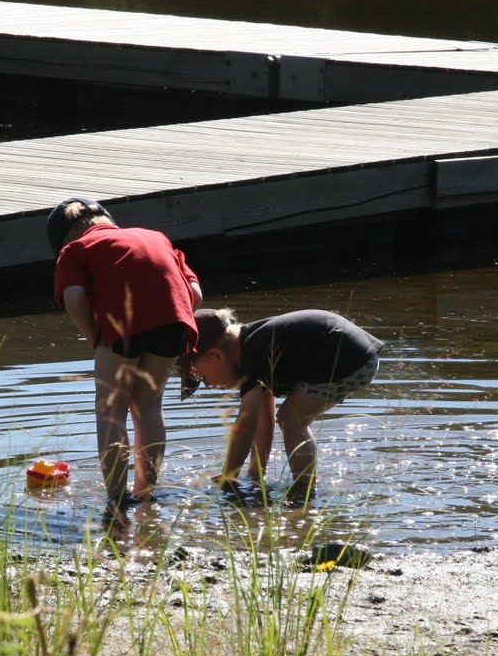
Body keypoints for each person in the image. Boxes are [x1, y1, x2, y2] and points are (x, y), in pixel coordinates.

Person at [49, 197, 202, 519]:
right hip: (174, 320)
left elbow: (74, 295)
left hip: (121, 327)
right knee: (148, 405)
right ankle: (145, 493)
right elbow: (195, 292)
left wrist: (94, 335)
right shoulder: (155, 237)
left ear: (64, 238)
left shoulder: (74, 250)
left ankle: (117, 500)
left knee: (111, 411)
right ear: (107, 220)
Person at [180, 307, 382, 504]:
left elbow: (245, 424)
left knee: (292, 418)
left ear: (216, 356)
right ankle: (303, 486)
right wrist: (256, 473)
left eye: (202, 376)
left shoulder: (253, 352)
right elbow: (262, 417)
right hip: (354, 353)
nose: (207, 385)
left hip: (349, 356)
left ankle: (304, 490)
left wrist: (228, 476)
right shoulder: (253, 346)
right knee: (289, 417)